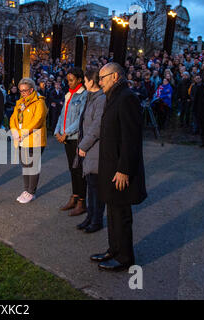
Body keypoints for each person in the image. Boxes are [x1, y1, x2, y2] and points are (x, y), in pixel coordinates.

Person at [90, 62, 147, 271]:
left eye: (103, 78)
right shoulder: (114, 97)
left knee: (121, 215)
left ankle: (124, 258)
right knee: (112, 213)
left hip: (120, 170)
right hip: (110, 167)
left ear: (115, 77)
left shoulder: (127, 98)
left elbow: (131, 139)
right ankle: (113, 250)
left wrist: (124, 169)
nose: (100, 82)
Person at [75, 69, 106, 233]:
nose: (83, 84)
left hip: (95, 149)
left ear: (91, 82)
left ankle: (96, 220)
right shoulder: (90, 97)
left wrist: (83, 145)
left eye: (85, 81)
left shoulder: (101, 99)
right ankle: (90, 217)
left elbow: (97, 126)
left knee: (96, 187)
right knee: (90, 185)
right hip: (89, 148)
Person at [54, 67, 88, 216]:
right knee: (72, 169)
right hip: (66, 137)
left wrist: (66, 133)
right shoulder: (68, 94)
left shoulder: (84, 95)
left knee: (79, 170)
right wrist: (57, 131)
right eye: (67, 80)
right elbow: (62, 115)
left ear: (80, 80)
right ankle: (74, 197)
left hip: (75, 138)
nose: (68, 82)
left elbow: (81, 118)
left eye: (71, 80)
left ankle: (82, 201)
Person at [9, 78, 47, 204]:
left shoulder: (39, 102)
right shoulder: (20, 102)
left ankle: (31, 192)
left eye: (25, 90)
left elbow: (37, 121)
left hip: (34, 140)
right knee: (25, 166)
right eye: (21, 91)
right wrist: (14, 131)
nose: (23, 93)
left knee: (33, 166)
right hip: (21, 139)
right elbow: (13, 118)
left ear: (32, 89)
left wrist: (20, 133)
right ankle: (26, 190)